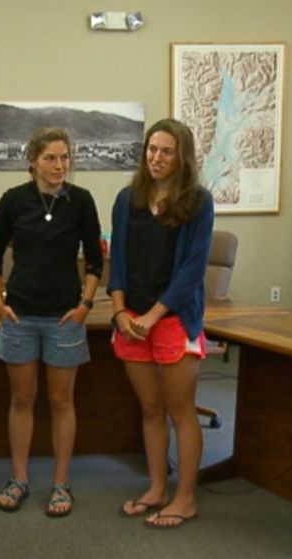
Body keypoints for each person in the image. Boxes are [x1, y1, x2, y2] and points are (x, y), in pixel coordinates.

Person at [0, 127, 103, 517]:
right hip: (20, 314)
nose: (59, 165)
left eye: (65, 157)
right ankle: (19, 478)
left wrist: (86, 303)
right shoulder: (14, 200)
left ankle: (60, 484)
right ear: (32, 160)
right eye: (51, 158)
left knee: (61, 402)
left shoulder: (82, 201)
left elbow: (95, 260)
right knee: (22, 400)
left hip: (64, 318)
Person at [108, 118, 213, 529]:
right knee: (150, 409)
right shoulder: (127, 198)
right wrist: (119, 312)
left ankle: (185, 498)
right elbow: (117, 258)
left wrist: (154, 316)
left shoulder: (198, 202)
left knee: (180, 411)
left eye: (166, 151)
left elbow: (192, 269)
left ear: (181, 156)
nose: (156, 157)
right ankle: (157, 488)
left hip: (173, 319)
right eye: (152, 149)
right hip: (130, 319)